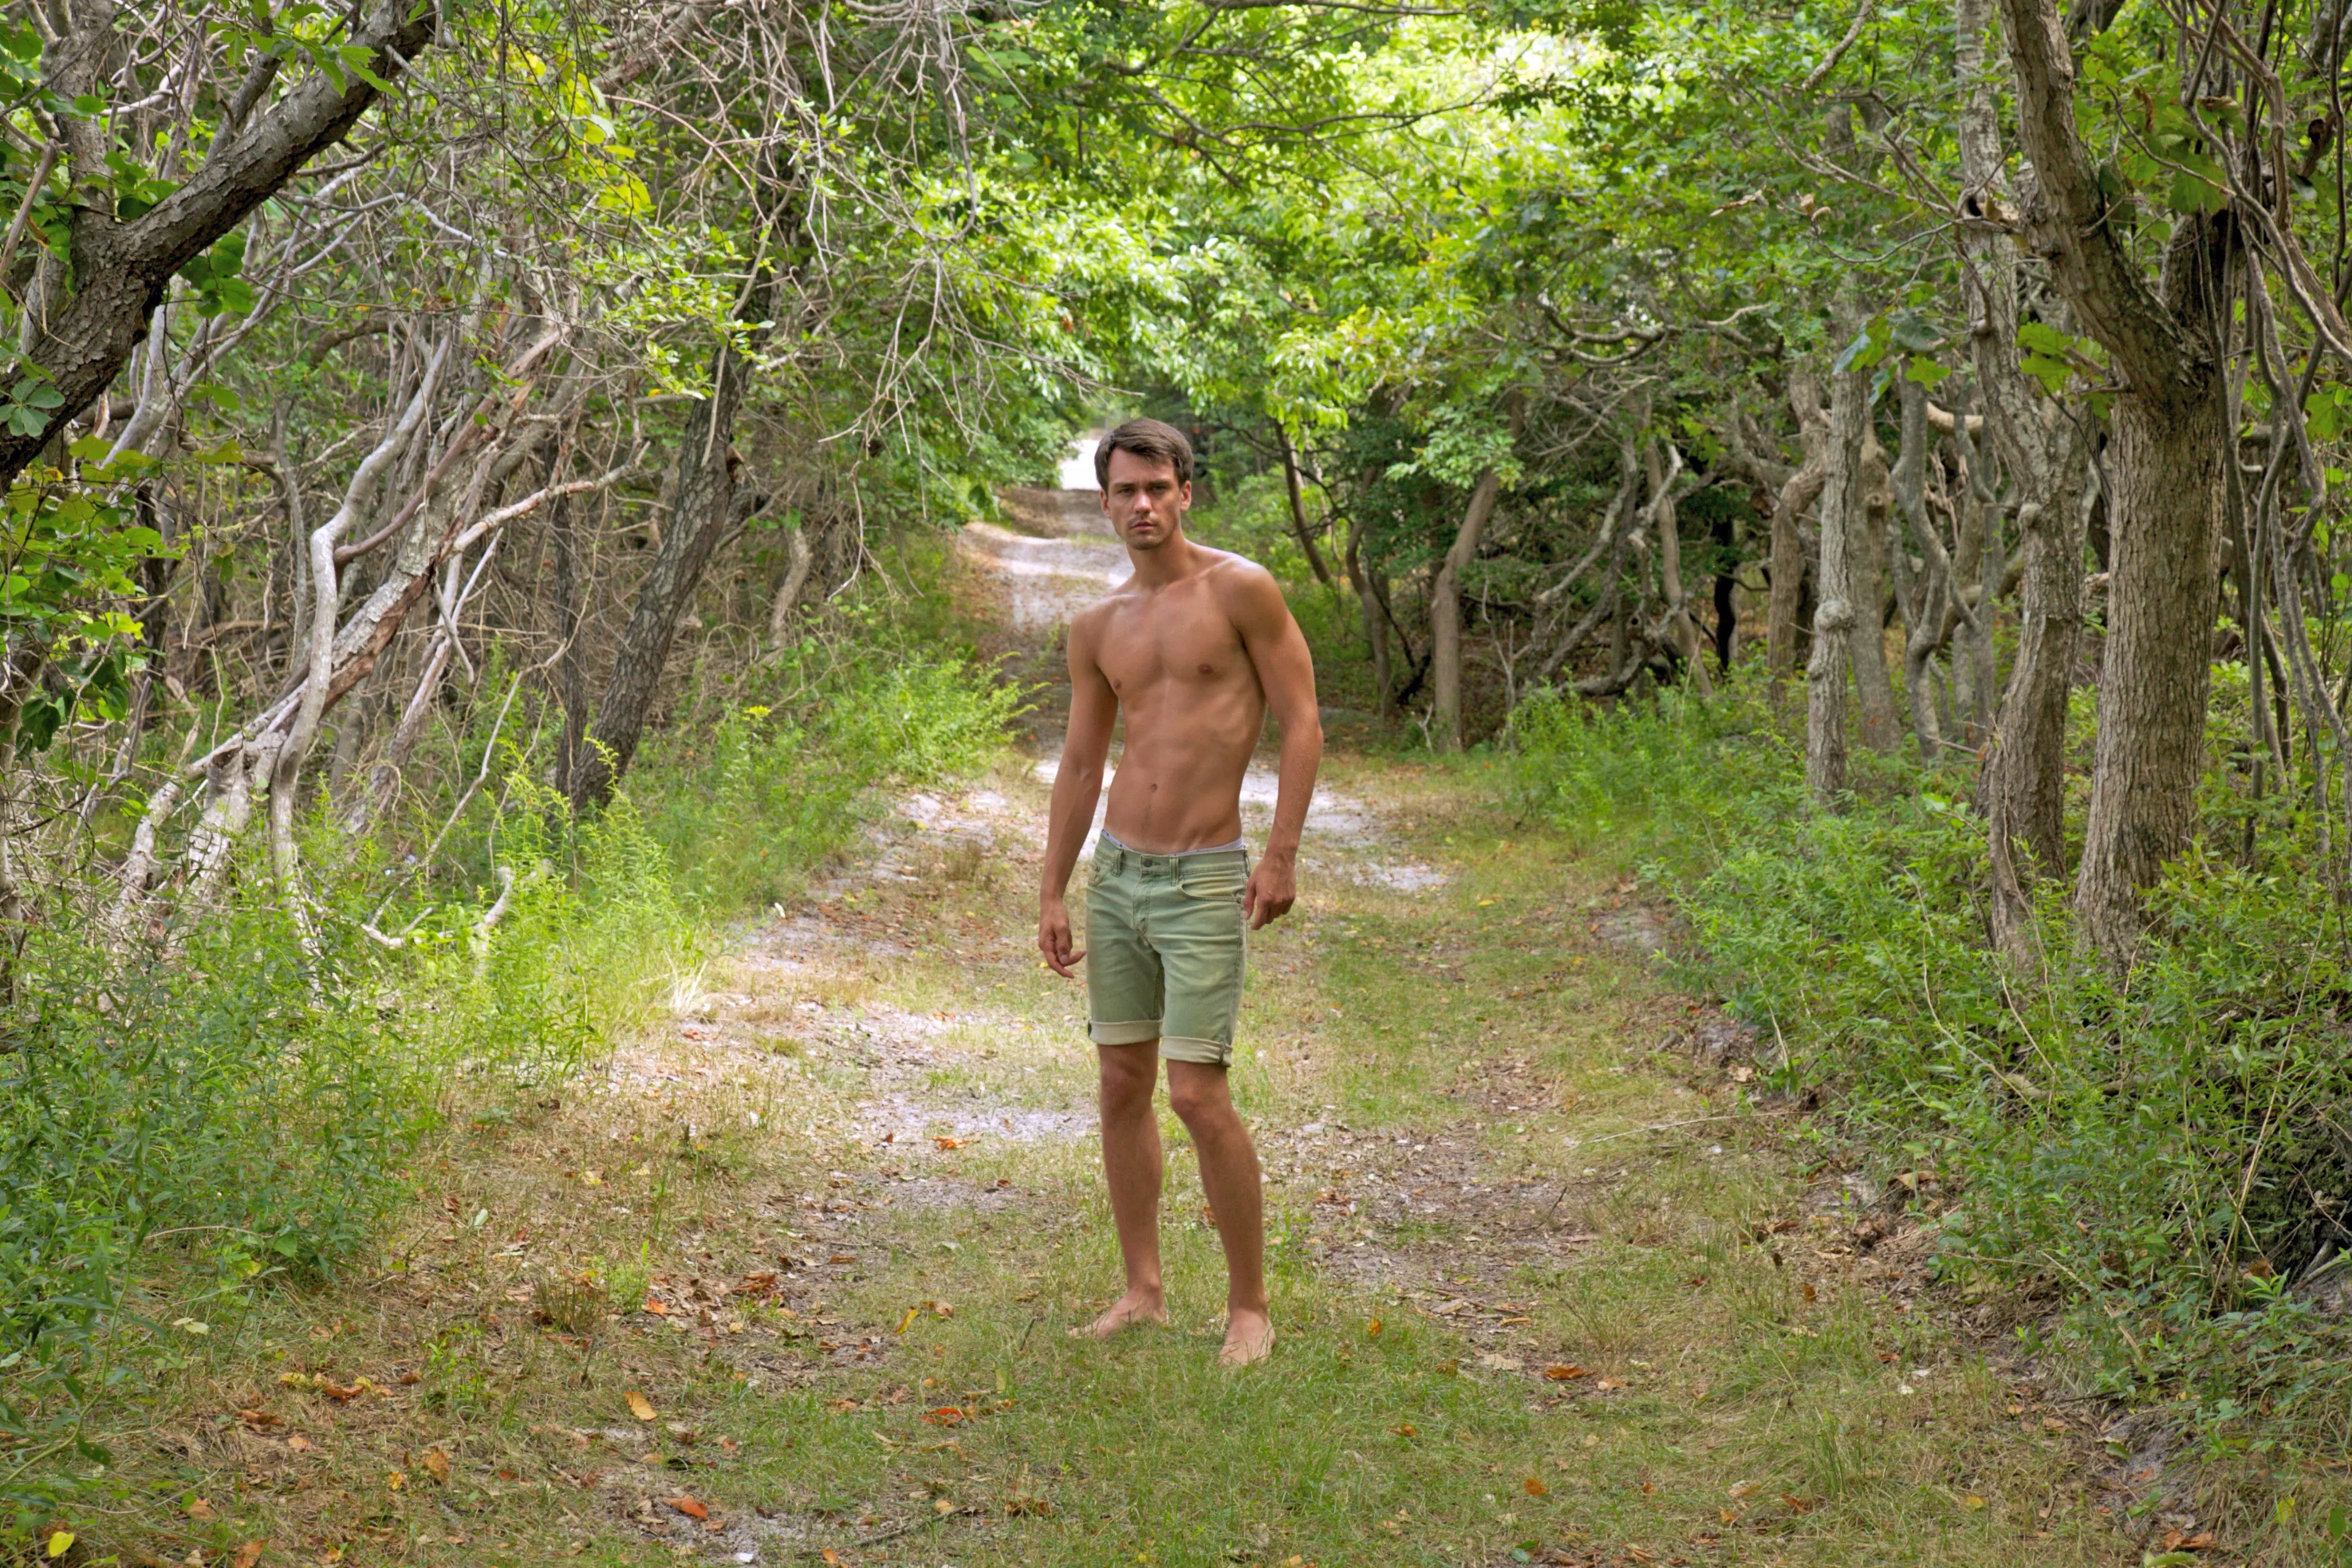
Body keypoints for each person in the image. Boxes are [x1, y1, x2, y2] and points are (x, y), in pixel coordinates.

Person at [1036, 417, 1322, 1368]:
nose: (1143, 506)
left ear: (1185, 492)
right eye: (1125, 492)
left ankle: (1249, 1307)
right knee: (1121, 1083)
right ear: (1106, 501)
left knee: (1198, 1093)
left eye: (1158, 488)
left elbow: (1302, 717)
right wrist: (1054, 889)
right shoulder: (1099, 627)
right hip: (1120, 873)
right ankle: (1144, 1291)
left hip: (1205, 874)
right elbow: (1081, 763)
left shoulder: (1240, 590)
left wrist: (1280, 853)